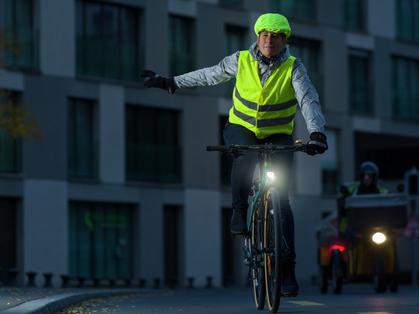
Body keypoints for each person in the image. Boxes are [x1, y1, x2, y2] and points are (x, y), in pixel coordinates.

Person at [141, 13, 327, 296]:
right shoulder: (240, 60)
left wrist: (317, 133)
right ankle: (240, 210)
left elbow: (308, 100)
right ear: (257, 38)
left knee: (284, 201)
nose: (269, 40)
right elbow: (209, 74)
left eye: (276, 36)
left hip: (278, 134)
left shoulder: (294, 67)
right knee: (246, 157)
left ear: (284, 40)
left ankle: (288, 269)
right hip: (241, 128)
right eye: (264, 35)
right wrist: (170, 82)